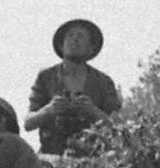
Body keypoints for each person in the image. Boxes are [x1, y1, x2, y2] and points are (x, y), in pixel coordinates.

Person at [26, 20, 121, 155]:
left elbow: (117, 127)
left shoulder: (103, 82)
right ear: (61, 45)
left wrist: (92, 111)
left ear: (91, 48)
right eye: (70, 36)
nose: (74, 40)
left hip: (93, 159)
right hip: (50, 156)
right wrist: (49, 110)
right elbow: (28, 123)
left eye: (81, 36)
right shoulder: (46, 77)